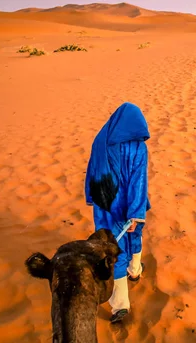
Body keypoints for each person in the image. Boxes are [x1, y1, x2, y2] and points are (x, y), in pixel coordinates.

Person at [85, 102, 151, 323]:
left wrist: (91, 196)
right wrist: (135, 212)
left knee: (113, 250)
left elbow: (92, 172)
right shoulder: (138, 148)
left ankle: (120, 306)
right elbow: (138, 182)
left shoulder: (100, 142)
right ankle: (135, 270)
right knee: (134, 234)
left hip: (105, 206)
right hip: (130, 204)